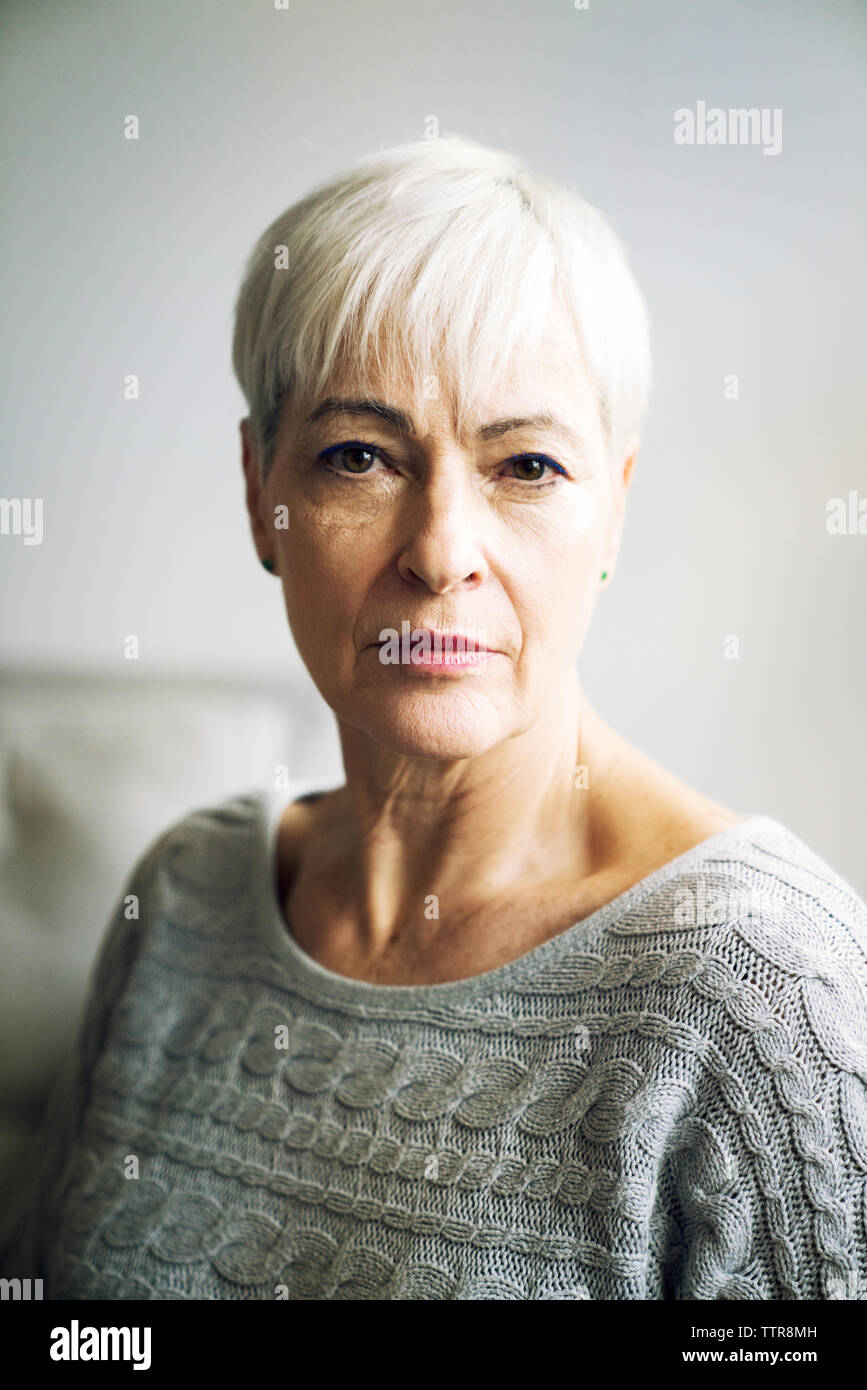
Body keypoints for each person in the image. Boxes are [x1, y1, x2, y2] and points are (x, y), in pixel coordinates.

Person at [2, 135, 865, 1300]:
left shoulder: (766, 986)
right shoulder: (185, 896)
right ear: (263, 494)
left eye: (527, 467)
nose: (441, 552)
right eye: (358, 457)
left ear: (614, 510)